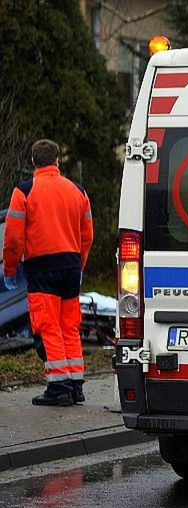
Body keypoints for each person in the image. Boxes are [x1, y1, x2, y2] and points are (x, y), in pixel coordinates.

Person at [3, 139, 94, 406]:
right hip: (71, 266)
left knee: (48, 326)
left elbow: (12, 239)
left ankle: (59, 388)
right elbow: (87, 235)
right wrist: (80, 264)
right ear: (57, 162)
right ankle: (76, 385)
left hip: (42, 268)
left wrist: (10, 269)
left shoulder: (24, 191)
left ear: (33, 161)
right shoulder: (78, 191)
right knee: (69, 325)